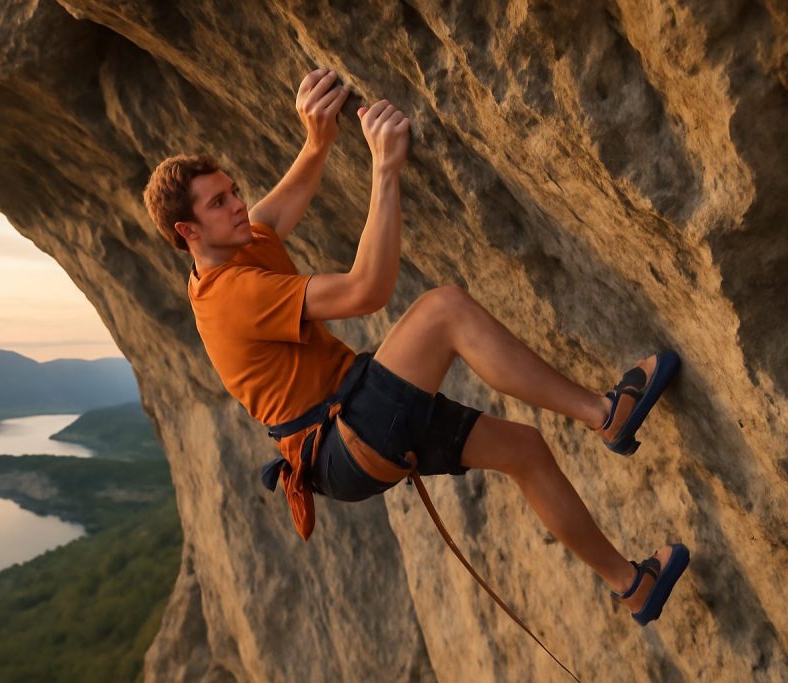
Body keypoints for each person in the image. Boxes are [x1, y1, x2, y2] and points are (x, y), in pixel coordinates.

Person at [142, 67, 689, 626]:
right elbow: (366, 291)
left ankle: (632, 586)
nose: (238, 205)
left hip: (350, 424)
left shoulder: (235, 247)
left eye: (233, 191)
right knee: (443, 310)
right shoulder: (231, 294)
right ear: (188, 233)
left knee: (524, 450)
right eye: (218, 203)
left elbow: (279, 208)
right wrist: (384, 170)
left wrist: (317, 139)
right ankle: (606, 415)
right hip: (343, 437)